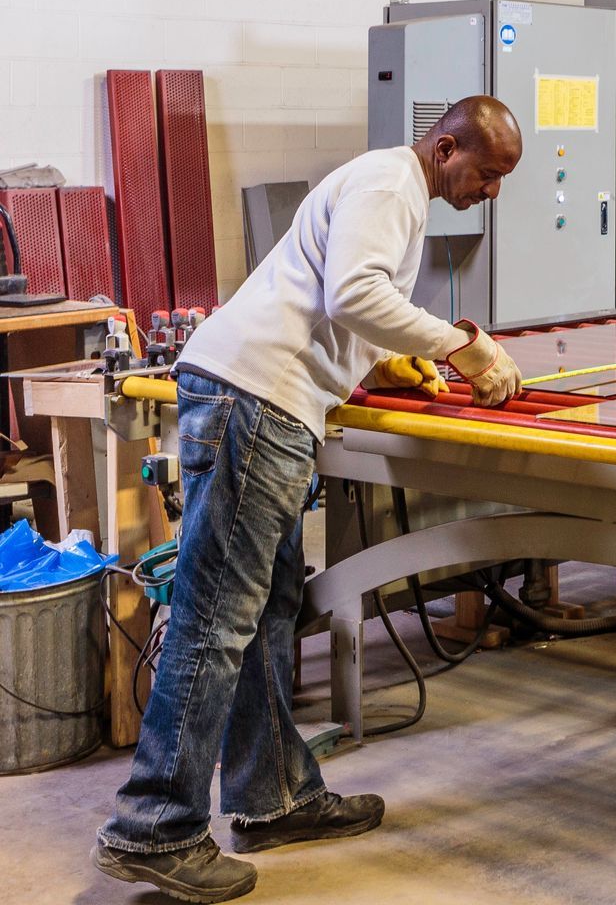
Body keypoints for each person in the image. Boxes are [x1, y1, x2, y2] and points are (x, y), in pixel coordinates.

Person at [93, 96, 527, 903]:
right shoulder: (392, 184)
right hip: (256, 403)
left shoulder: (396, 188)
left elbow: (342, 303)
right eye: (487, 173)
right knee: (217, 617)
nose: (490, 192)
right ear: (445, 148)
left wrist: (376, 360)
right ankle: (152, 827)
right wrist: (461, 345)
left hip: (267, 402)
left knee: (263, 613)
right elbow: (353, 293)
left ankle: (274, 797)